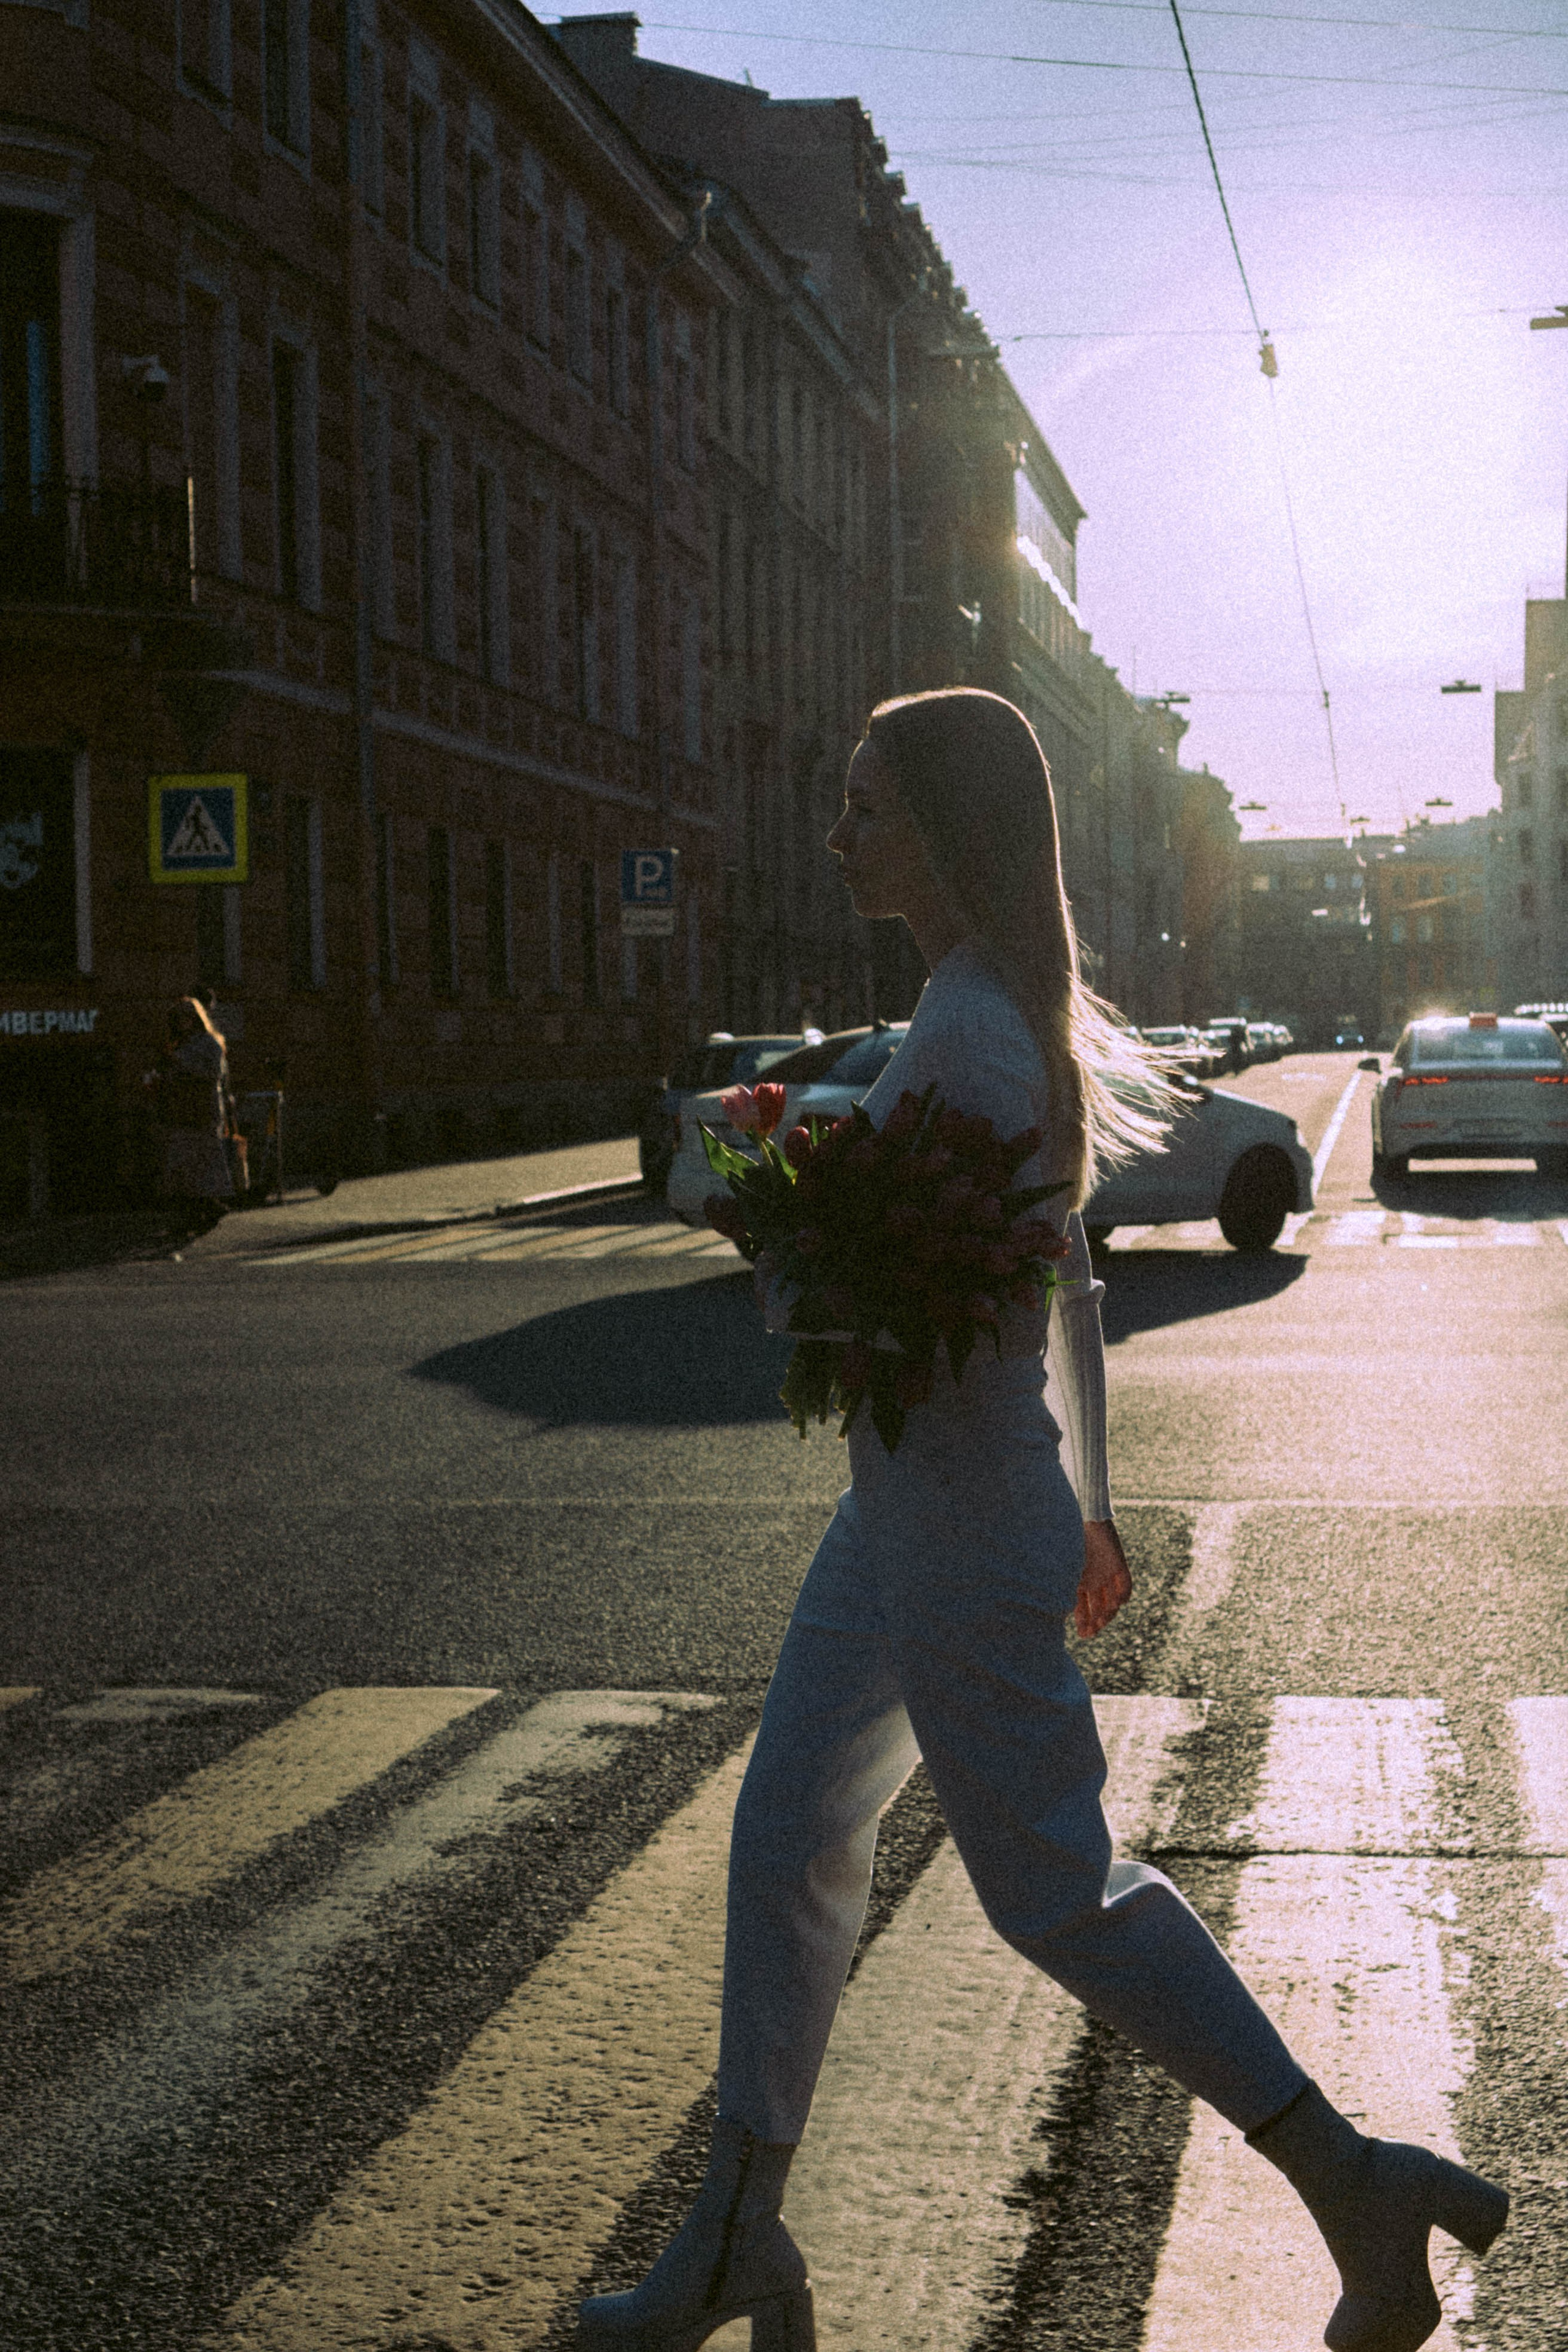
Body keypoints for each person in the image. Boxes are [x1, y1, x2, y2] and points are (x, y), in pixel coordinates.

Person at [578, 690, 1507, 2352]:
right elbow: (1052, 1282)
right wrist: (1094, 1502)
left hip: (949, 1505)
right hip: (924, 1498)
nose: (840, 833)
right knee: (792, 1827)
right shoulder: (973, 1004)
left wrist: (740, 1206)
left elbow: (907, 1284)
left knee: (1055, 1891)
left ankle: (1355, 2184)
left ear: (950, 829)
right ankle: (736, 2239)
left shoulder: (983, 1031)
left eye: (866, 805)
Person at [151, 995, 234, 1232]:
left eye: (186, 1018)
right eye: (178, 1019)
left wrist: (179, 1064)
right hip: (180, 1110)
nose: (182, 1023)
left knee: (202, 1161)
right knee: (183, 1162)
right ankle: (200, 1209)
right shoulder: (180, 1043)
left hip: (201, 1110)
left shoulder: (209, 1043)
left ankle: (207, 1208)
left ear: (196, 1019)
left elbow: (212, 1074)